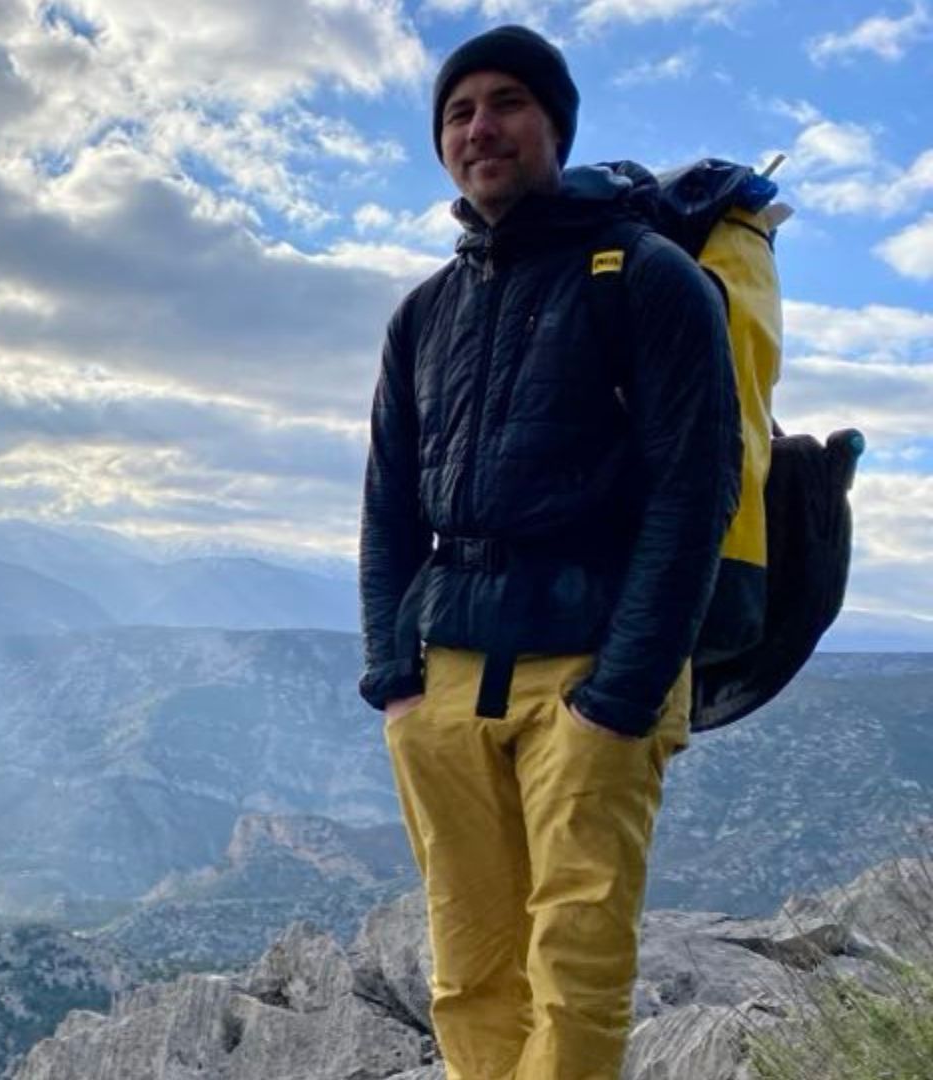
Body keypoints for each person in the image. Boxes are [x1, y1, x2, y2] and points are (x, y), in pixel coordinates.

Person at [357, 24, 741, 1080]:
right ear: (442, 143)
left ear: (555, 126)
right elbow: (389, 503)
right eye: (458, 110)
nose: (481, 126)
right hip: (443, 677)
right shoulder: (424, 314)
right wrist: (395, 680)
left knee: (575, 965)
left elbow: (691, 493)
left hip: (588, 666)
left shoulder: (649, 278)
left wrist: (621, 693)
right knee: (468, 962)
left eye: (507, 101)